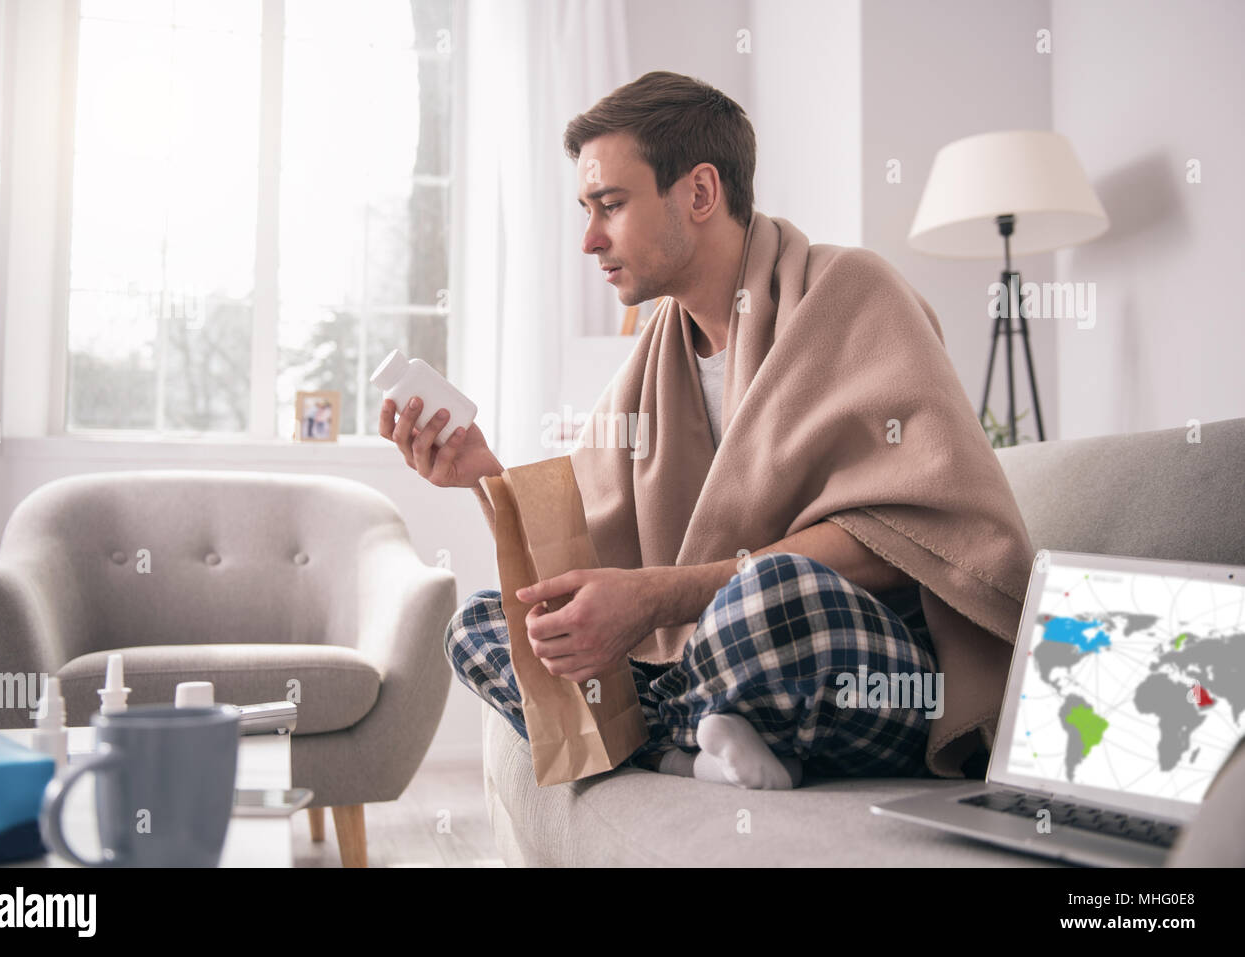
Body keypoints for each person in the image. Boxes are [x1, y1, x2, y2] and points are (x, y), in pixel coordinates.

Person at [380, 71, 1034, 790]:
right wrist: (483, 471)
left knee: (775, 591)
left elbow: (908, 532)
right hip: (707, 664)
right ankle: (695, 738)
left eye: (610, 205)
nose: (590, 239)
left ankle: (663, 733)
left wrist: (660, 597)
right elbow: (583, 537)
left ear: (698, 193)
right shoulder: (654, 359)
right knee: (482, 625)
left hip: (858, 665)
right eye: (585, 210)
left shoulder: (852, 293)